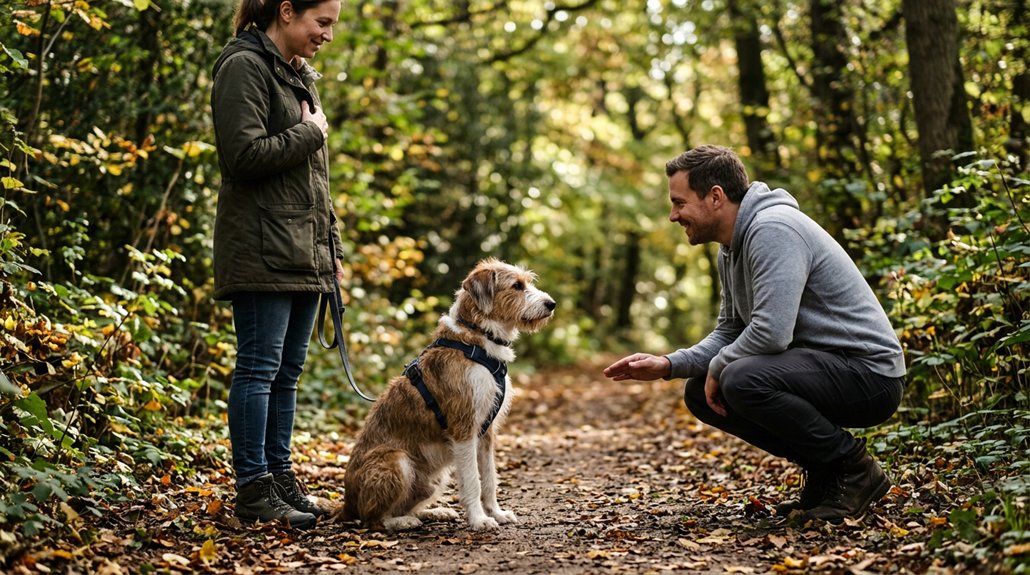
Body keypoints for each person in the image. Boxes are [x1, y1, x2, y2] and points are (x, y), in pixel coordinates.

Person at [603, 145, 906, 523]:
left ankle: (854, 468)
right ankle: (826, 471)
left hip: (869, 374)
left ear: (716, 196)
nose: (673, 215)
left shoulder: (772, 229)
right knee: (699, 391)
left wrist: (720, 365)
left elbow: (772, 333)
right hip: (823, 370)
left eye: (679, 202)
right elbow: (730, 330)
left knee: (740, 378)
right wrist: (668, 364)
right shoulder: (730, 249)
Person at [210, 0, 343, 530]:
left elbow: (313, 185)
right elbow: (240, 156)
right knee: (260, 369)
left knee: (287, 374)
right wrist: (311, 133)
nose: (327, 35)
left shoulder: (295, 75)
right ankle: (253, 488)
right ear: (286, 11)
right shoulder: (242, 64)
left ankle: (280, 476)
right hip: (262, 247)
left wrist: (330, 253)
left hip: (303, 250)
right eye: (322, 22)